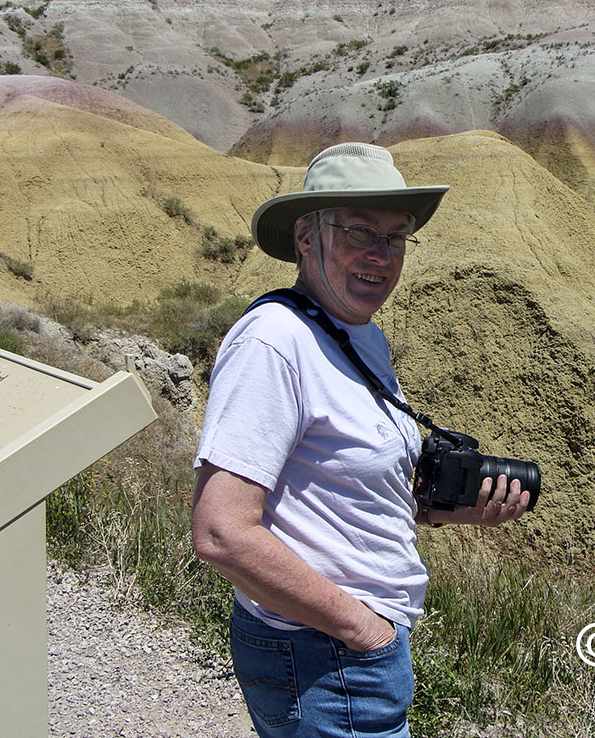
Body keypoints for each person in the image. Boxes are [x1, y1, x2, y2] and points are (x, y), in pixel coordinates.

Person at [191, 142, 531, 738]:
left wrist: (438, 510)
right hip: (325, 657)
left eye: (396, 237)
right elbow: (221, 531)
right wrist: (361, 630)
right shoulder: (275, 342)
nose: (381, 254)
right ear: (305, 237)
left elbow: (330, 486)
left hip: (340, 652)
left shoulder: (358, 334)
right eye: (359, 231)